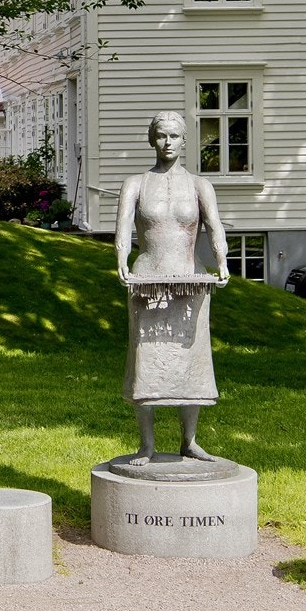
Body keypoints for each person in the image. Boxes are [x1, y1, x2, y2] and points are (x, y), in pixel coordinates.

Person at [113, 111, 230, 464]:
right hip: (148, 278)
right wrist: (119, 259)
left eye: (174, 136)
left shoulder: (199, 186)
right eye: (161, 136)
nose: (167, 143)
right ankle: (146, 443)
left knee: (190, 357)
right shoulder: (135, 183)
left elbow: (215, 226)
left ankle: (189, 440)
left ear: (184, 141)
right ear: (153, 139)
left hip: (189, 278)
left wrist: (223, 262)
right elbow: (122, 228)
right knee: (146, 357)